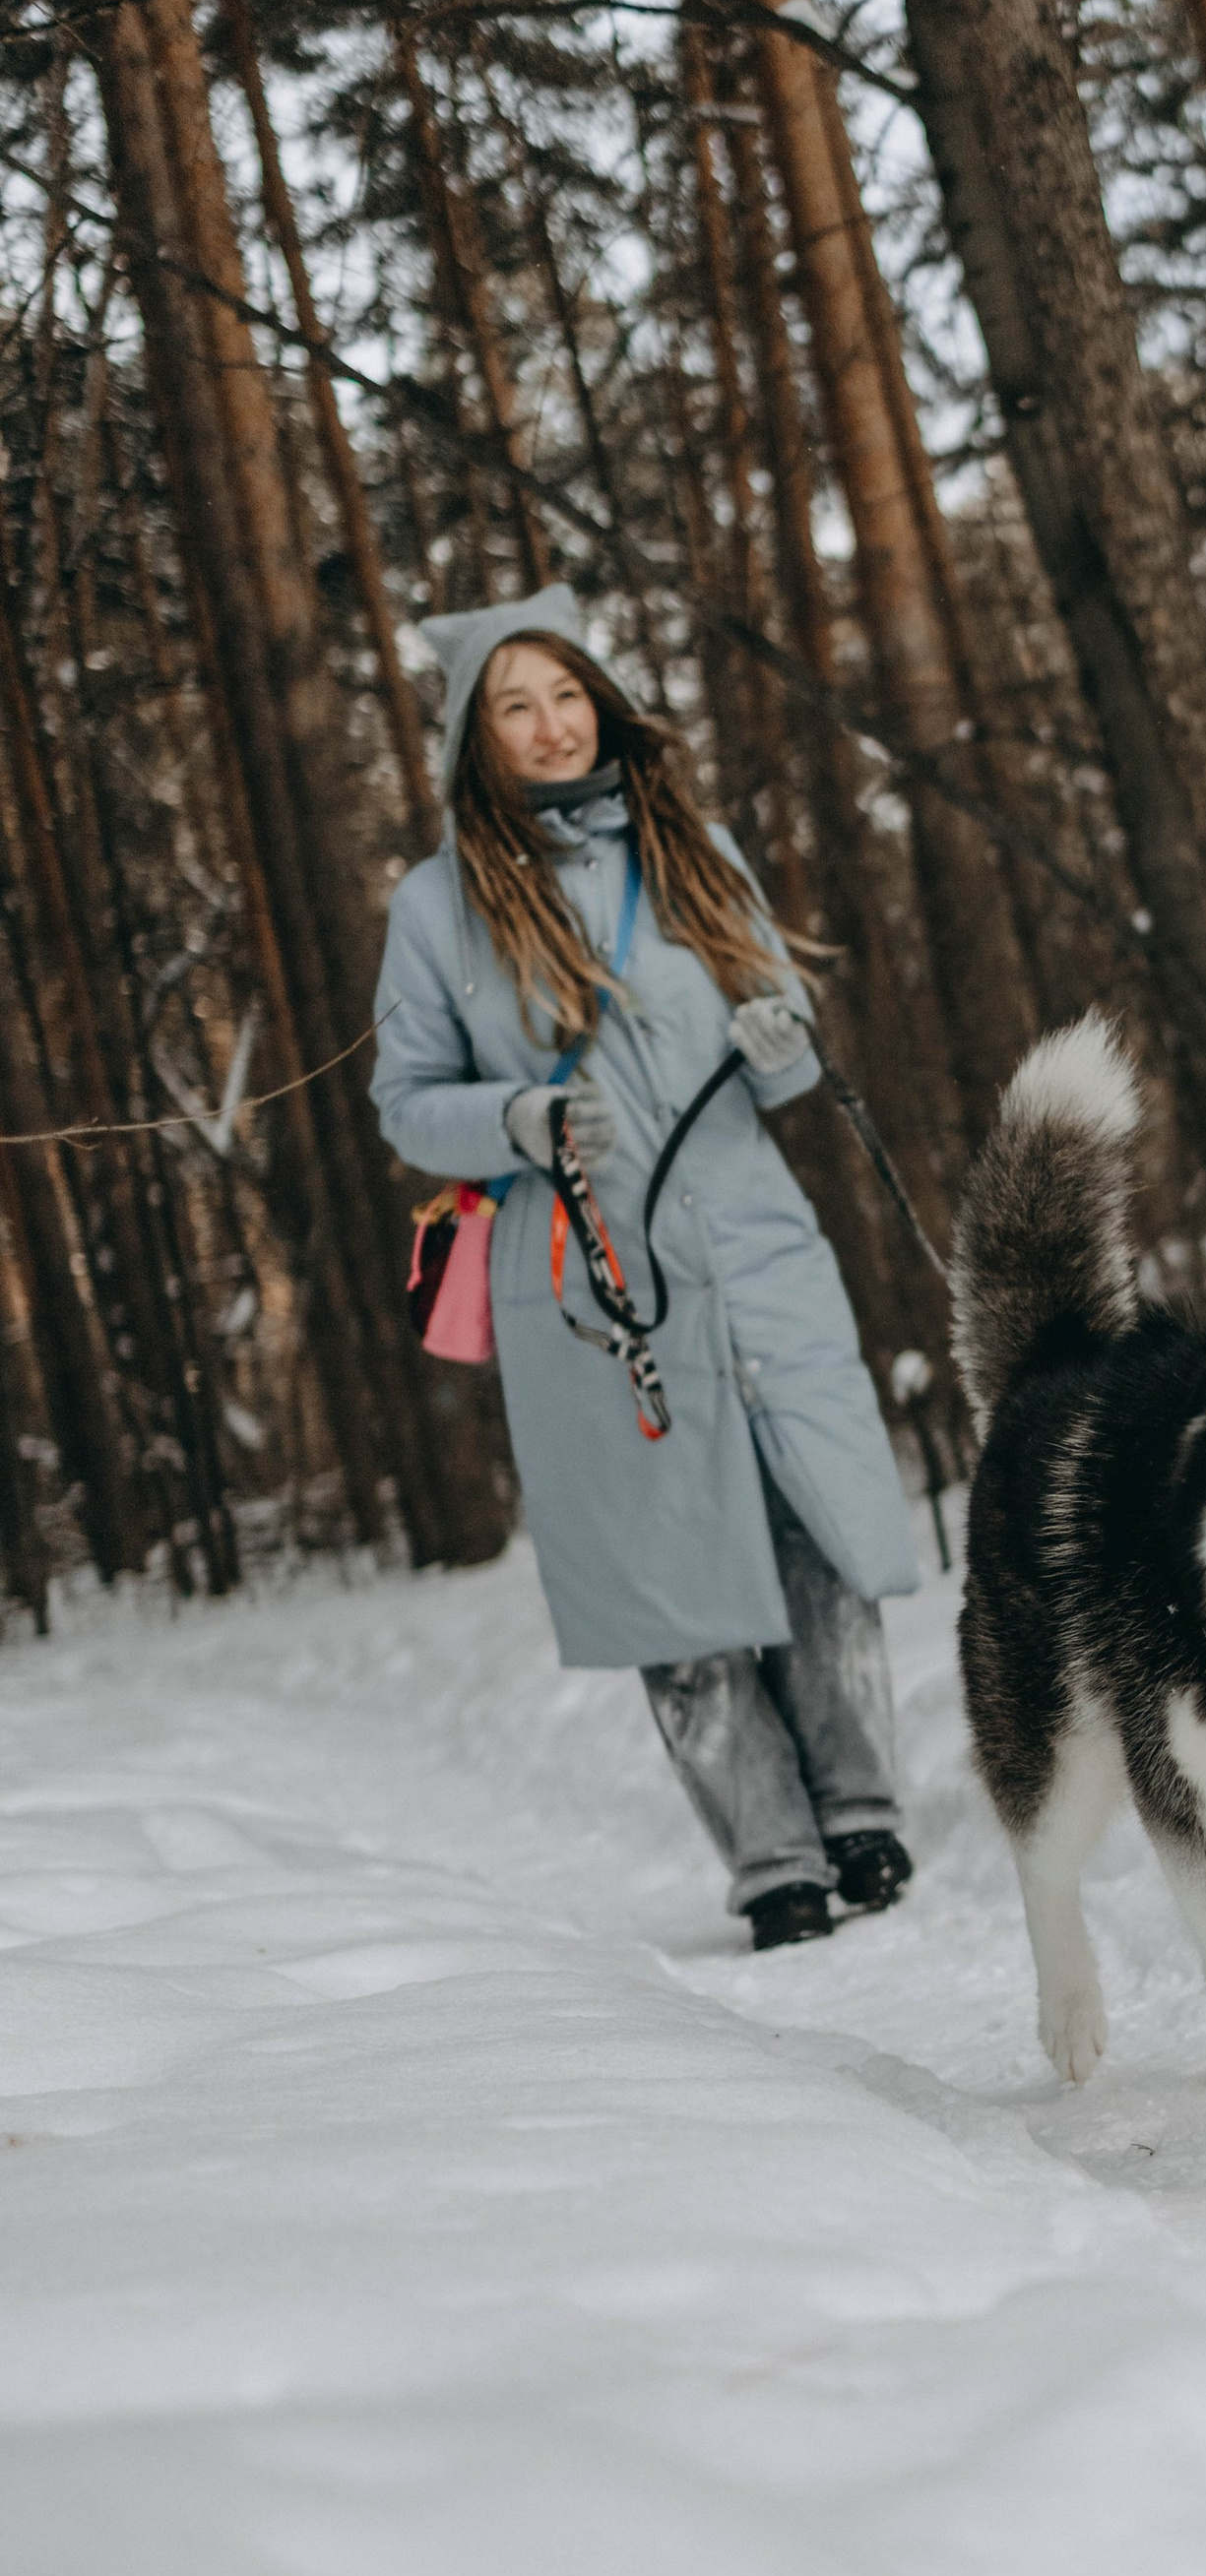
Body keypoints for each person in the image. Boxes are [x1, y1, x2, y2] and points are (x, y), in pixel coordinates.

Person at [372, 581, 921, 1950]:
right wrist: (517, 1119)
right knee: (671, 1561)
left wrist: (785, 1043)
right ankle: (772, 1857)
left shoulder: (695, 849)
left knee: (813, 1520)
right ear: (475, 739)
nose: (552, 726)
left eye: (567, 695)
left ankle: (862, 1814)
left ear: (602, 704)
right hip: (588, 1278)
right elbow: (406, 1104)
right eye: (516, 707)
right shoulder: (437, 908)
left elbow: (776, 1053)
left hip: (753, 1246)